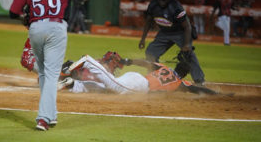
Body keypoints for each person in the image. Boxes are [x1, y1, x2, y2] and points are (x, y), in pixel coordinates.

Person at [9, 0, 96, 131]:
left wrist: (24, 19)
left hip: (35, 29)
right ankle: (43, 118)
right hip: (56, 28)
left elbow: (13, 12)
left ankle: (52, 114)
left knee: (43, 73)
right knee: (50, 75)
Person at [58, 53, 219, 96]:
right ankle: (88, 61)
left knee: (108, 90)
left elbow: (146, 63)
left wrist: (129, 61)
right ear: (183, 75)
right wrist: (217, 94)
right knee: (114, 85)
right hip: (140, 86)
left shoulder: (163, 67)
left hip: (136, 78)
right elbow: (199, 90)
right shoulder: (180, 83)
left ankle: (74, 85)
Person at [138, 0, 206, 86]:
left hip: (180, 32)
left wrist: (186, 45)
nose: (162, 2)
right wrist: (143, 39)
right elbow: (148, 22)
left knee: (188, 54)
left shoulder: (175, 7)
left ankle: (200, 81)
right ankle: (155, 77)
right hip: (164, 32)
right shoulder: (153, 5)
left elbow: (187, 26)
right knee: (150, 52)